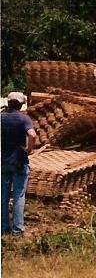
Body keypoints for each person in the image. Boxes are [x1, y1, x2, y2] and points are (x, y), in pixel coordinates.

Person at [1, 91, 37, 236]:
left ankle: (3, 228)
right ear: (21, 105)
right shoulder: (23, 119)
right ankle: (18, 229)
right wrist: (28, 149)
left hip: (2, 162)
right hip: (19, 162)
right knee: (18, 196)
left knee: (2, 197)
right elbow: (33, 135)